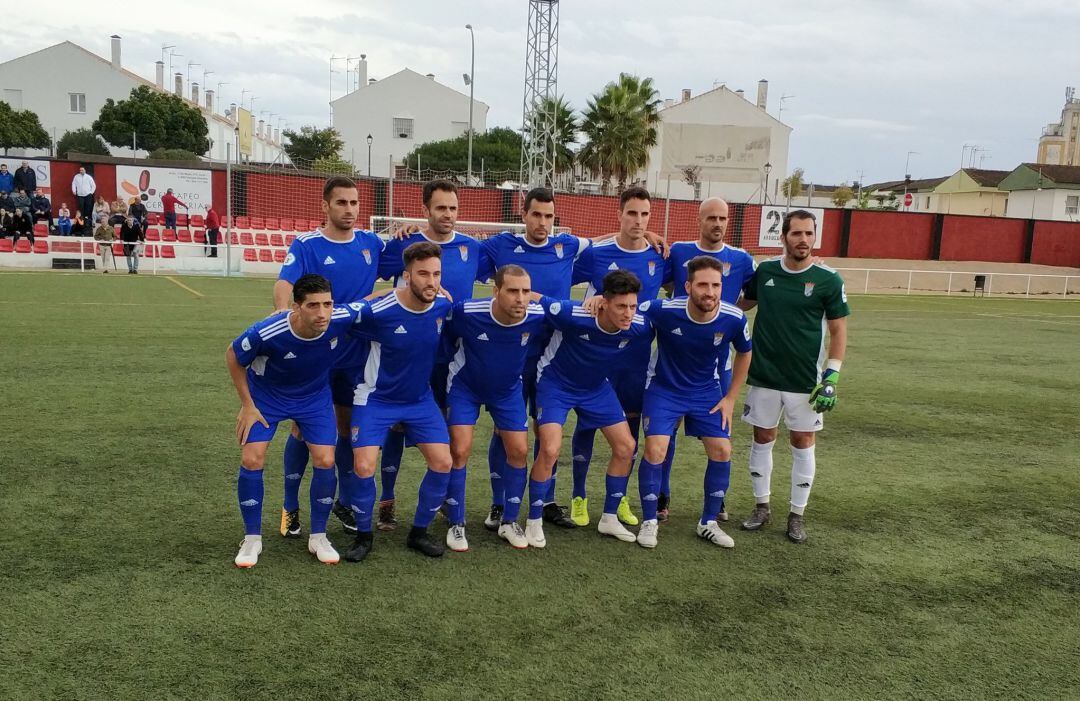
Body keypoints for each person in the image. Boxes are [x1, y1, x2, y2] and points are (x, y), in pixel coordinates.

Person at [273, 176, 385, 541]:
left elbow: (412, 258)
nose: (350, 210)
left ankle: (346, 502)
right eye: (342, 203)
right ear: (325, 206)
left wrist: (410, 233)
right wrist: (282, 316)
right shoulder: (307, 244)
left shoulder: (371, 243)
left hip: (357, 353)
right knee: (301, 427)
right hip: (318, 351)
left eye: (354, 203)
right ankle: (290, 507)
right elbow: (285, 283)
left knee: (346, 430)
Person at [226, 274, 361, 568]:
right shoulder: (268, 331)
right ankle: (251, 539)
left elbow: (375, 303)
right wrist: (247, 405)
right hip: (267, 397)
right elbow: (233, 356)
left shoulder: (339, 319)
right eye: (313, 305)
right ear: (296, 307)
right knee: (252, 458)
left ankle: (319, 536)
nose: (323, 313)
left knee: (326, 460)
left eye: (327, 304)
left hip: (313, 398)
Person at [374, 179, 482, 531]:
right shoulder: (405, 243)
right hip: (406, 354)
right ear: (426, 211)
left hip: (453, 357)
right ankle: (387, 500)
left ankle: (445, 503)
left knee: (449, 431)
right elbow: (372, 271)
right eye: (440, 208)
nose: (447, 215)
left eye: (452, 208)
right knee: (394, 427)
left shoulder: (473, 247)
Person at [740, 210, 849, 544]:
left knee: (803, 442)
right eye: (796, 233)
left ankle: (796, 514)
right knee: (762, 438)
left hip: (806, 381)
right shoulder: (766, 271)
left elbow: (838, 330)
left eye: (809, 234)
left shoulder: (829, 279)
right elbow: (742, 303)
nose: (803, 240)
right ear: (783, 236)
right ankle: (761, 507)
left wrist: (831, 376)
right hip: (764, 376)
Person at [343, 241, 454, 562]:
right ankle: (364, 536)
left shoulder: (443, 307)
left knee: (443, 462)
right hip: (375, 399)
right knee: (363, 466)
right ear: (407, 276)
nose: (431, 281)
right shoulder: (379, 311)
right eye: (423, 274)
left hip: (419, 400)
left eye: (436, 274)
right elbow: (339, 318)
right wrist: (369, 297)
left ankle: (418, 532)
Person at [568, 186, 671, 528]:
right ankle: (579, 496)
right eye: (632, 213)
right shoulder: (596, 254)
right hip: (597, 354)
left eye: (644, 214)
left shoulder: (659, 256)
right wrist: (591, 299)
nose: (638, 220)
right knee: (587, 420)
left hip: (637, 358)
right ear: (619, 215)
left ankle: (620, 497)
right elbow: (561, 280)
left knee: (629, 425)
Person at [525, 270, 651, 548]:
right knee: (549, 449)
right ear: (604, 302)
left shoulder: (640, 325)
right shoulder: (573, 313)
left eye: (632, 306)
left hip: (595, 388)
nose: (628, 313)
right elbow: (531, 297)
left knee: (626, 447)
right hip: (555, 384)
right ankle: (534, 520)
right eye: (621, 306)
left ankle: (608, 518)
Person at [636, 256, 753, 549]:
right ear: (688, 286)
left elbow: (745, 353)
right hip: (664, 389)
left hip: (706, 391)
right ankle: (649, 520)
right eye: (703, 285)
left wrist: (730, 398)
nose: (710, 292)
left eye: (715, 285)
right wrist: (601, 298)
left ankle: (708, 522)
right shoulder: (663, 309)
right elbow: (625, 308)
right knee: (655, 448)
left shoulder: (734, 318)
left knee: (722, 449)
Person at [657, 197, 756, 521]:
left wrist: (724, 319)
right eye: (711, 217)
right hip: (675, 355)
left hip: (717, 364)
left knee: (719, 435)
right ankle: (661, 494)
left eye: (723, 218)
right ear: (699, 220)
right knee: (664, 431)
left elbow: (754, 293)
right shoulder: (680, 252)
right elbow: (665, 284)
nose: (717, 223)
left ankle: (717, 501)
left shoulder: (741, 259)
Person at [442, 264, 547, 550]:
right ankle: (456, 523)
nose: (521, 299)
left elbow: (566, 313)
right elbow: (443, 333)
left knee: (519, 451)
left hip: (508, 390)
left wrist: (596, 300)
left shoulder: (537, 315)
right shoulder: (467, 312)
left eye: (526, 291)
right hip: (466, 387)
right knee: (459, 450)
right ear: (496, 291)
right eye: (513, 291)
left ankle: (509, 521)